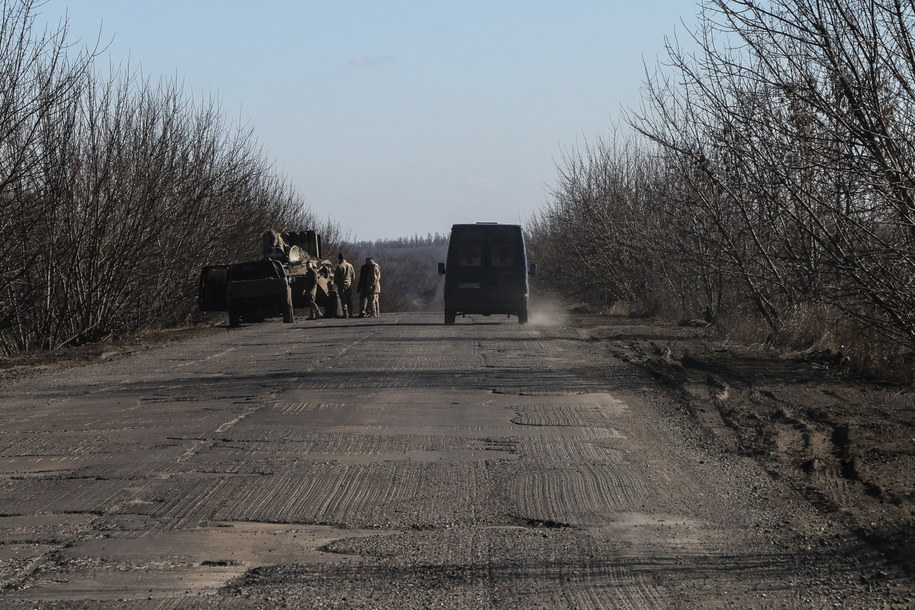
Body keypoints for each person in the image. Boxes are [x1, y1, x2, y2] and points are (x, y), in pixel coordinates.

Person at [333, 253, 356, 318]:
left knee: (343, 299)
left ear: (339, 258)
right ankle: (351, 313)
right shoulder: (350, 265)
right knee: (349, 299)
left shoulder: (339, 266)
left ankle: (345, 313)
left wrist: (336, 283)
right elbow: (353, 276)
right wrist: (350, 282)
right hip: (348, 285)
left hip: (341, 285)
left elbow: (336, 277)